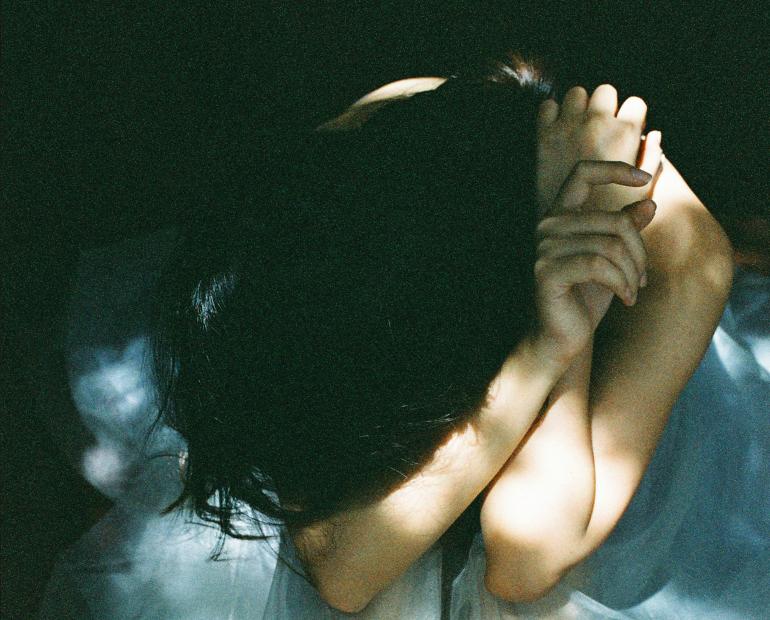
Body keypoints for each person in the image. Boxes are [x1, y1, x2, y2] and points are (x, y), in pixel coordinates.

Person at [149, 57, 732, 613]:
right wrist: (540, 346)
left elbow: (524, 562)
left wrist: (567, 335)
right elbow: (341, 571)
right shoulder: (370, 168)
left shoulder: (686, 264)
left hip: (592, 429)